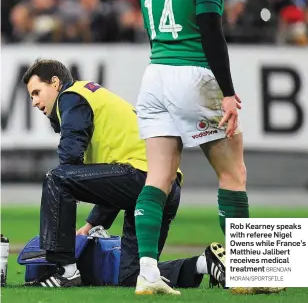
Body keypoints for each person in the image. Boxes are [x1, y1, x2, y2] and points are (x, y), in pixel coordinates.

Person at [22, 59, 226, 290]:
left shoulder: (71, 96)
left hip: (140, 177)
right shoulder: (92, 96)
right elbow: (112, 181)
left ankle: (65, 271)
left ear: (56, 83)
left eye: (37, 92)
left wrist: (65, 200)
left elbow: (70, 158)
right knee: (134, 276)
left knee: (56, 178)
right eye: (31, 96)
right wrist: (90, 225)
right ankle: (206, 264)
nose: (35, 102)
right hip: (165, 188)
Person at [134, 0, 248, 295]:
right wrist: (229, 93)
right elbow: (211, 34)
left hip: (154, 76)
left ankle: (147, 272)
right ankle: (248, 271)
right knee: (233, 173)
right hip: (192, 73)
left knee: (159, 176)